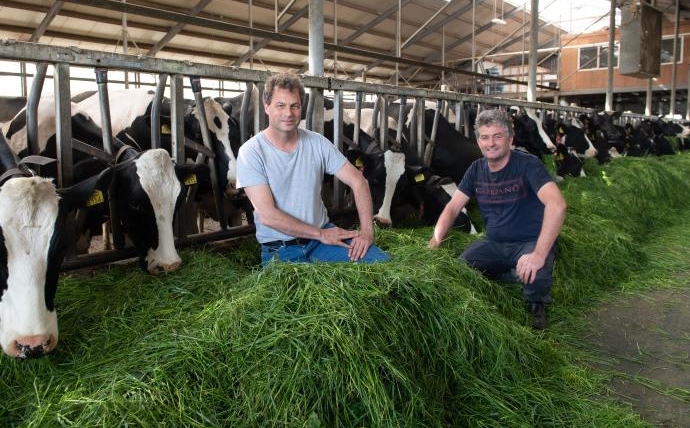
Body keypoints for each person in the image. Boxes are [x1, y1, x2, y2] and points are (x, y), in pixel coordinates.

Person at [428, 109, 566, 329]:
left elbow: (557, 205)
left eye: (497, 136)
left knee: (535, 275)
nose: (490, 143)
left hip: (530, 243)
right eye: (485, 137)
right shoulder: (476, 169)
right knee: (460, 270)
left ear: (510, 139)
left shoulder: (528, 164)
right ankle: (511, 274)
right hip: (494, 243)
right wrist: (434, 243)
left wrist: (538, 254)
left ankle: (536, 306)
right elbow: (453, 207)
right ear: (478, 141)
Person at [237, 73, 390, 266]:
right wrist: (321, 234)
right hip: (281, 249)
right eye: (280, 105)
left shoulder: (317, 142)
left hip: (322, 243)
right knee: (294, 296)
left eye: (295, 105)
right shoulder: (250, 152)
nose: (288, 113)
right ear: (266, 107)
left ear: (302, 107)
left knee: (382, 264)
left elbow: (358, 181)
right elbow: (268, 215)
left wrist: (367, 232)